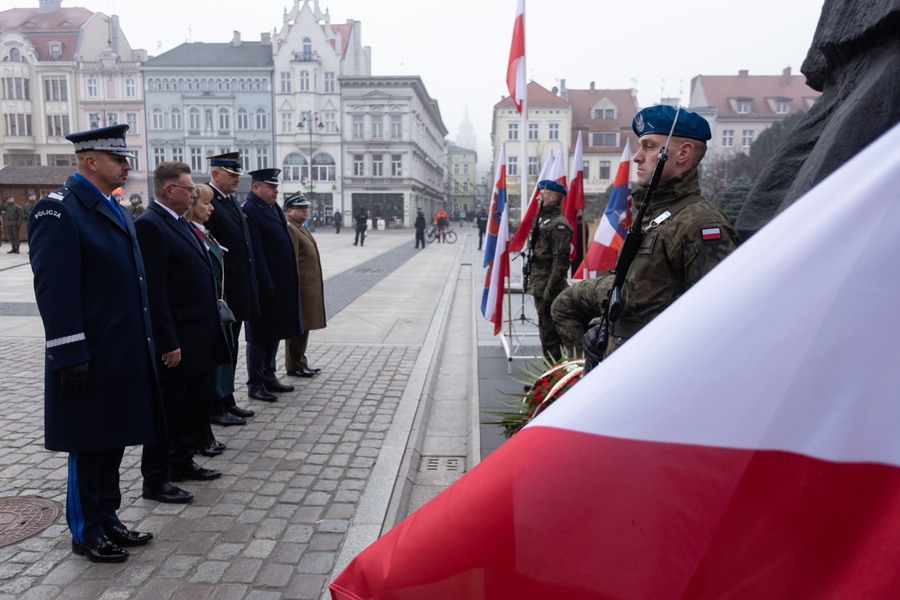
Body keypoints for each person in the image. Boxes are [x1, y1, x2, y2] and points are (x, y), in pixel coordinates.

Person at [27, 123, 164, 563]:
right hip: (87, 352)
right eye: (119, 159)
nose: (127, 165)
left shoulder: (115, 208)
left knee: (114, 438)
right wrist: (69, 352)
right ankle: (86, 530)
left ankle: (109, 518)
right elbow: (55, 288)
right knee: (89, 445)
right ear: (90, 161)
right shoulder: (58, 211)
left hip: (122, 348)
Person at [602, 105, 739, 358]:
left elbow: (717, 321)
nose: (637, 156)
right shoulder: (656, 215)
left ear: (683, 153)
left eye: (649, 146)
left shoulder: (700, 224)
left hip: (659, 372)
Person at [135, 161, 230, 504]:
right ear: (168, 190)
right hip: (177, 339)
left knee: (190, 406)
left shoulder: (179, 223)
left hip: (196, 335)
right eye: (189, 189)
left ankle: (182, 461)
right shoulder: (151, 225)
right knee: (168, 411)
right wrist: (167, 341)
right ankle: (156, 479)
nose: (193, 194)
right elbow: (155, 292)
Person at [187, 184, 241, 456]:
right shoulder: (191, 234)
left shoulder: (203, 233)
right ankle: (200, 435)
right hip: (203, 316)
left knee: (217, 370)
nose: (210, 208)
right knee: (203, 381)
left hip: (217, 311)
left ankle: (204, 432)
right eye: (205, 204)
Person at [203, 152, 257, 421]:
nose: (238, 179)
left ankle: (227, 399)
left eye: (238, 175)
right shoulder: (207, 202)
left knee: (232, 348)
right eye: (232, 175)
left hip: (238, 289)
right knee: (222, 350)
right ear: (215, 174)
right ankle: (216, 404)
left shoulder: (231, 202)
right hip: (224, 290)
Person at [242, 168, 301, 401]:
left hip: (279, 283)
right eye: (271, 186)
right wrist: (265, 282)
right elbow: (256, 251)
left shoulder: (271, 207)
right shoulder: (250, 210)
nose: (276, 190)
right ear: (256, 187)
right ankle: (255, 382)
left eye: (276, 186)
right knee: (259, 335)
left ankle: (269, 375)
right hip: (265, 285)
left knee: (274, 331)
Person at [527, 180, 573, 359]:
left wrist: (548, 293)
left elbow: (560, 262)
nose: (538, 198)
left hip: (550, 288)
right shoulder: (543, 220)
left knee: (551, 336)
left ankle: (555, 380)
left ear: (553, 198)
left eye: (542, 195)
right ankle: (550, 377)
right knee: (546, 335)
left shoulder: (559, 225)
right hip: (540, 285)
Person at [283, 194, 326, 378]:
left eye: (306, 208)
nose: (305, 211)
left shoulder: (301, 227)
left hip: (309, 286)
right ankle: (294, 365)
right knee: (297, 327)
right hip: (302, 287)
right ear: (290, 211)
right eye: (301, 208)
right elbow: (292, 260)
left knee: (305, 326)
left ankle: (301, 361)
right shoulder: (291, 228)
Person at [550, 273, 614, 357]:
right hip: (566, 309)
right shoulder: (608, 292)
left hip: (586, 310)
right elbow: (608, 325)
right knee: (580, 353)